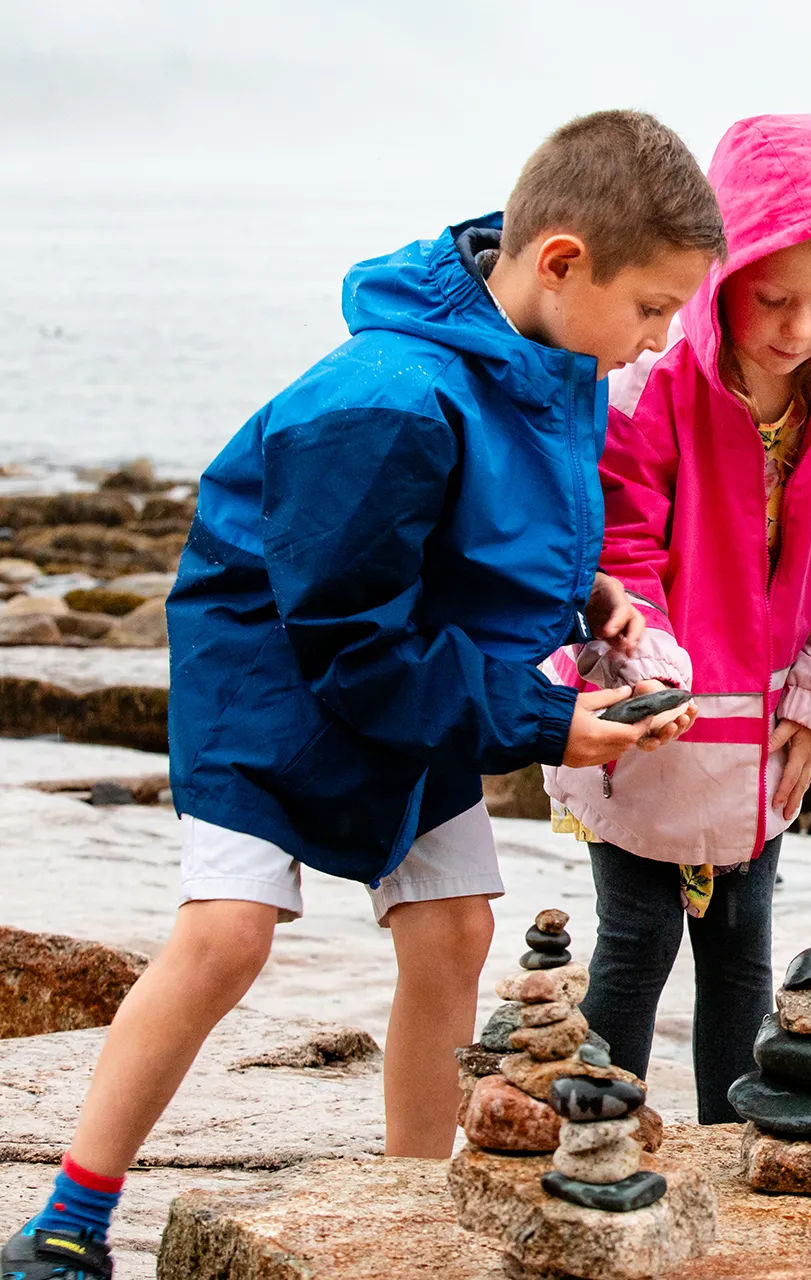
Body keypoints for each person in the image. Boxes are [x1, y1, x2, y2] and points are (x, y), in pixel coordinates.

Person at [3, 110, 723, 1279]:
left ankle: (404, 1212)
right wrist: (550, 723)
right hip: (277, 672)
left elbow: (480, 535)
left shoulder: (559, 362)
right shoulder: (387, 395)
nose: (658, 339)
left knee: (454, 925)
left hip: (413, 662)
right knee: (226, 937)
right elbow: (346, 637)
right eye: (652, 308)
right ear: (560, 262)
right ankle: (69, 1215)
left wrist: (589, 603)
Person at [542, 114, 811, 1123]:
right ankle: (596, 1128)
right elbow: (616, 543)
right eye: (775, 297)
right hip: (651, 715)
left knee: (741, 945)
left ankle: (732, 1135)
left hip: (768, 727)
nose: (800, 328)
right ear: (726, 273)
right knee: (635, 938)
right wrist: (651, 676)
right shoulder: (652, 382)